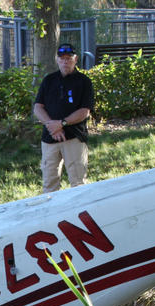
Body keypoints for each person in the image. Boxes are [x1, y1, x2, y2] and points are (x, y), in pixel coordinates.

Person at [32, 43, 94, 194]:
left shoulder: (84, 81)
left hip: (74, 138)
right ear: (57, 60)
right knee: (49, 185)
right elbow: (38, 108)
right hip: (49, 138)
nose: (65, 61)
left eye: (69, 58)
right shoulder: (49, 80)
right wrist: (51, 126)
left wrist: (62, 123)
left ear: (75, 59)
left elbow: (85, 111)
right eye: (62, 58)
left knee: (78, 183)